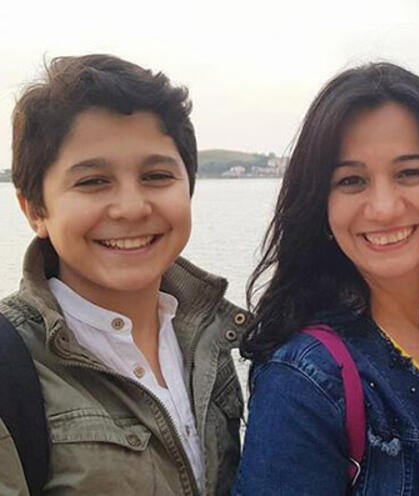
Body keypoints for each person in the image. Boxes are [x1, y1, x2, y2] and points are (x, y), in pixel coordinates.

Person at [234, 62, 419, 495]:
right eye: (351, 181)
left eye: (410, 173)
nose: (383, 208)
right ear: (320, 202)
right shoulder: (304, 380)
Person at [0, 54, 246, 495]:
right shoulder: (11, 366)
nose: (132, 208)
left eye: (156, 176)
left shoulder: (209, 339)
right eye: (93, 181)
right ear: (35, 209)